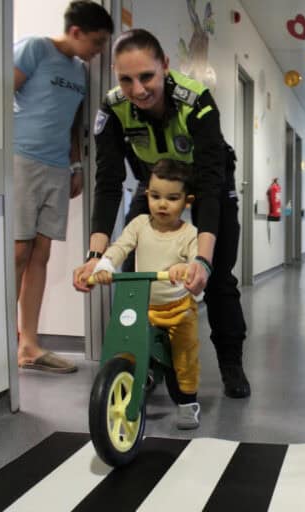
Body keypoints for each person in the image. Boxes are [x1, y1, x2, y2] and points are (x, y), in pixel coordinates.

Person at [72, 28, 251, 398]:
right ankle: (146, 357)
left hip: (208, 187)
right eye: (126, 79)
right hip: (155, 187)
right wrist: (94, 256)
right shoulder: (112, 109)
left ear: (165, 66)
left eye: (147, 76)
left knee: (216, 279)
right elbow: (107, 184)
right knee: (132, 277)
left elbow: (210, 187)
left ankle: (231, 362)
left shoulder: (196, 101)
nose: (137, 90)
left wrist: (201, 260)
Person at [14, 1, 113, 373]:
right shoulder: (35, 48)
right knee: (18, 251)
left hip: (57, 165)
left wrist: (75, 164)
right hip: (22, 158)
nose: (99, 50)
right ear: (76, 32)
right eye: (97, 41)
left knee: (41, 253)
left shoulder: (81, 71)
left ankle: (30, 346)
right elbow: (2, 92)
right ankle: (3, 347)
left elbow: (74, 122)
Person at [91, 160, 202, 429]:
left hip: (178, 307)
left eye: (172, 198)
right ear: (146, 195)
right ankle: (136, 376)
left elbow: (197, 261)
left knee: (184, 354)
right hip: (144, 306)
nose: (162, 204)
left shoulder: (189, 233)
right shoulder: (140, 224)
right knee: (128, 342)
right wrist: (105, 264)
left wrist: (184, 268)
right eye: (155, 196)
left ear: (187, 201)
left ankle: (188, 403)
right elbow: (120, 246)